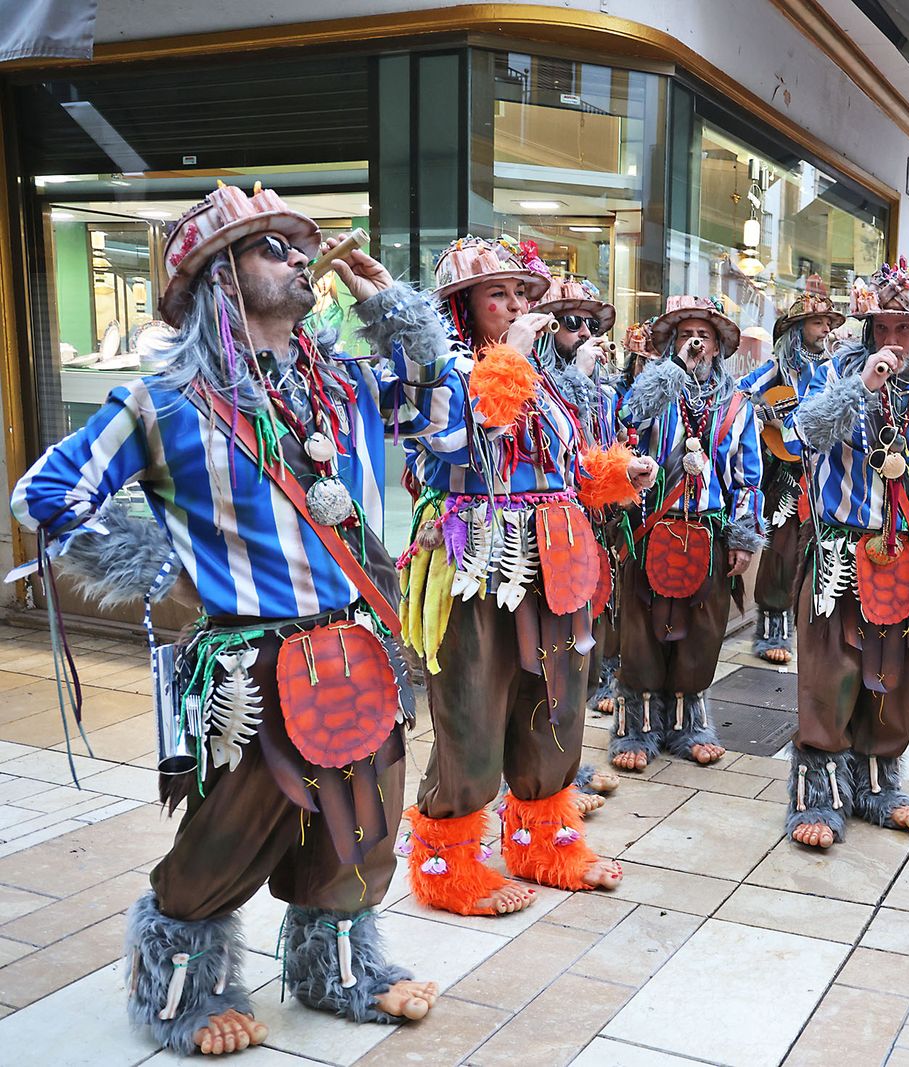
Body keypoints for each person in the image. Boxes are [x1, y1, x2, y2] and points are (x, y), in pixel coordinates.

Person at [11, 184, 452, 1054]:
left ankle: (340, 972)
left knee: (362, 827)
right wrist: (162, 569)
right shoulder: (159, 402)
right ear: (220, 278)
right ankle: (180, 990)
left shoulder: (345, 384)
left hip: (359, 647)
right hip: (250, 666)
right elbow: (43, 493)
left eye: (298, 248)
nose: (299, 261)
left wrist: (392, 312)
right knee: (229, 836)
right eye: (272, 249)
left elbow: (440, 424)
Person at [397, 240, 654, 917]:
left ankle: (547, 845)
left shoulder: (542, 382)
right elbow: (471, 428)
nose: (517, 307)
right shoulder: (440, 373)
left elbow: (563, 471)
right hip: (477, 565)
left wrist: (615, 474)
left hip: (555, 566)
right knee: (472, 711)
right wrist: (509, 349)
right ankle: (448, 868)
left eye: (522, 295)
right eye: (497, 295)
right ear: (462, 305)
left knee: (556, 707)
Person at [783, 261, 909, 849]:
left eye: (907, 328)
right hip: (838, 550)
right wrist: (860, 388)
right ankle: (816, 799)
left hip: (907, 555)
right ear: (869, 330)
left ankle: (879, 786)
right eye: (884, 327)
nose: (895, 340)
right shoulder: (831, 375)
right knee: (829, 674)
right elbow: (802, 435)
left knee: (898, 677)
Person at [611, 295, 765, 771]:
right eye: (684, 335)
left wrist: (742, 536)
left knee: (702, 634)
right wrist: (673, 367)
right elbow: (628, 420)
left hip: (707, 533)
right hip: (648, 531)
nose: (695, 343)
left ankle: (690, 726)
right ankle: (632, 728)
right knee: (638, 632)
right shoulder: (652, 391)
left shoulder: (737, 405)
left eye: (705, 336)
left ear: (720, 348)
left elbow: (748, 475)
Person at [534, 277, 630, 734]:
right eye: (573, 323)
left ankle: (565, 768)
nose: (586, 334)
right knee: (551, 650)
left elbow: (602, 447)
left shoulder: (603, 390)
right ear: (547, 328)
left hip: (593, 524)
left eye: (592, 324)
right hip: (547, 535)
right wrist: (578, 378)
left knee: (590, 636)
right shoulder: (536, 383)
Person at [738, 278, 843, 665]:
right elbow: (736, 397)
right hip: (786, 473)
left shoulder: (839, 370)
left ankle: (817, 628)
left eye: (829, 323)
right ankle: (771, 631)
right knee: (780, 549)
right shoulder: (776, 372)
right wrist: (764, 413)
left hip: (827, 475)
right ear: (797, 331)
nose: (827, 330)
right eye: (818, 323)